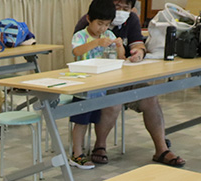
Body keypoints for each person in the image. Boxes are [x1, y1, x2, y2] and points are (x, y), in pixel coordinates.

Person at [75, 0, 186, 167]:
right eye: (117, 6)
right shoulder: (90, 21)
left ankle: (161, 149)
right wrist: (96, 42)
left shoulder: (129, 21)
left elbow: (135, 47)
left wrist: (137, 53)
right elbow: (77, 51)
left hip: (123, 75)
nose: (120, 11)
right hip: (99, 83)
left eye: (125, 8)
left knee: (149, 97)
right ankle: (100, 146)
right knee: (113, 102)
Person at [69, 0, 125, 169]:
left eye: (107, 25)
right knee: (82, 120)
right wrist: (96, 43)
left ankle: (91, 147)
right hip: (83, 86)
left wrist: (120, 46)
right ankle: (76, 154)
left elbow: (121, 58)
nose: (102, 29)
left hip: (101, 85)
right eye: (99, 24)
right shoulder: (80, 36)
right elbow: (76, 51)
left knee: (95, 117)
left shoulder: (109, 35)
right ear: (88, 19)